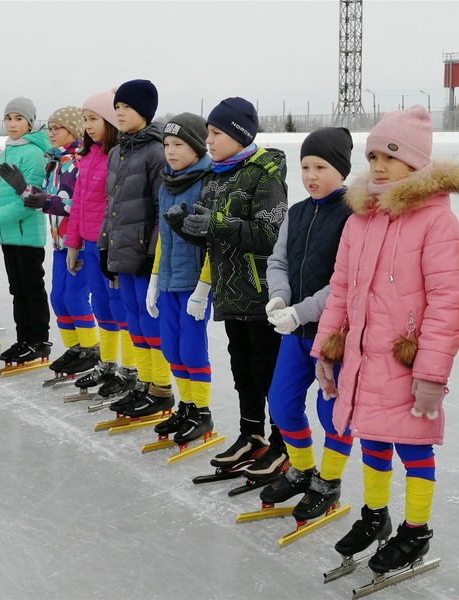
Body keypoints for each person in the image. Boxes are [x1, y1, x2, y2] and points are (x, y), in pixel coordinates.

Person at [312, 105, 459, 574]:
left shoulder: (436, 221)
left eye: (391, 156)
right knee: (372, 439)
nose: (379, 166)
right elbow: (341, 288)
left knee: (413, 445)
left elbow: (448, 302)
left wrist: (432, 373)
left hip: (406, 360)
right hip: (362, 356)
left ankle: (416, 531)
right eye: (373, 156)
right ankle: (375, 515)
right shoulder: (360, 218)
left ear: (416, 161)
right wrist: (326, 347)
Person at [170, 96, 289, 481]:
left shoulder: (264, 173)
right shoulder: (214, 175)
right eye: (208, 132)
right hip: (229, 291)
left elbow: (271, 234)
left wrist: (216, 223)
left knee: (266, 371)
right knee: (242, 369)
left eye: (216, 133)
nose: (209, 140)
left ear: (239, 135)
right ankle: (251, 435)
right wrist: (185, 227)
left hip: (260, 292)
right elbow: (213, 239)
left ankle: (282, 444)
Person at [260, 127, 355, 520]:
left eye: (321, 167)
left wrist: (302, 311)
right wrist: (280, 298)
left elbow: (347, 282)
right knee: (282, 404)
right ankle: (301, 468)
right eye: (305, 167)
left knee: (333, 413)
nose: (311, 175)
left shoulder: (354, 215)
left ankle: (328, 481)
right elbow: (278, 261)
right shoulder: (297, 212)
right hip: (296, 332)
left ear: (342, 170)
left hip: (336, 335)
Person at [98, 79, 174, 417]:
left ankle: (161, 388)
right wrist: (104, 247)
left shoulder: (156, 152)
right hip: (121, 251)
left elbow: (162, 209)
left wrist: (151, 254)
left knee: (150, 320)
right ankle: (144, 382)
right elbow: (111, 205)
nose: (119, 113)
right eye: (117, 107)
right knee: (133, 320)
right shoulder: (117, 152)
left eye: (126, 107)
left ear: (144, 111)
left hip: (144, 253)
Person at [65, 89, 138, 396]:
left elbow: (121, 207)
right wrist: (73, 243)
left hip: (112, 246)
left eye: (93, 118)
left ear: (110, 120)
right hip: (91, 245)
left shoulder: (118, 157)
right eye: (85, 120)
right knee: (102, 306)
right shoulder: (89, 156)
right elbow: (78, 204)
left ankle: (130, 369)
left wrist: (117, 250)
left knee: (121, 308)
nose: (88, 126)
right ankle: (108, 364)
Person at [19, 106, 101, 375]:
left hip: (79, 242)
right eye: (50, 128)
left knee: (75, 297)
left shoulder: (79, 162)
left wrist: (47, 201)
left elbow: (79, 205)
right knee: (58, 299)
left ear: (74, 131)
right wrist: (25, 190)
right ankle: (74, 347)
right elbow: (47, 196)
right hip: (59, 242)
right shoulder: (54, 161)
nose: (52, 134)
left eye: (58, 129)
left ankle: (91, 349)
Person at [147, 113, 214, 444]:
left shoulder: (208, 182)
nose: (170, 151)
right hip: (169, 280)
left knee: (191, 347)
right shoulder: (167, 183)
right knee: (171, 347)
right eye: (167, 144)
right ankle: (186, 405)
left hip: (193, 283)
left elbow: (213, 243)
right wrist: (154, 279)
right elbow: (163, 235)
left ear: (197, 147)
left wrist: (203, 288)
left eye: (178, 145)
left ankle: (202, 411)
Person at [0, 97, 52, 364]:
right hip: (9, 233)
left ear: (30, 123)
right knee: (17, 289)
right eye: (8, 118)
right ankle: (23, 339)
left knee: (31, 288)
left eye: (19, 119)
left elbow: (28, 202)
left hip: (26, 234)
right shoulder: (7, 150)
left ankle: (39, 340)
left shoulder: (34, 154)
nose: (12, 124)